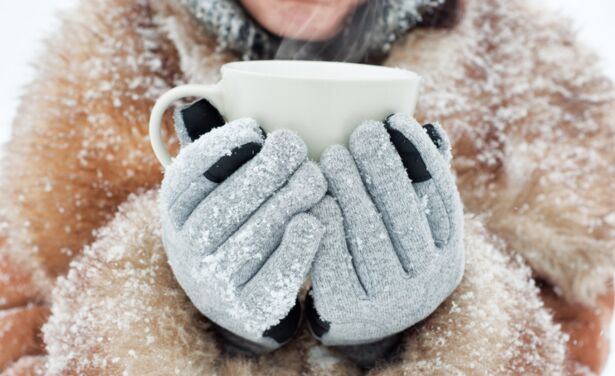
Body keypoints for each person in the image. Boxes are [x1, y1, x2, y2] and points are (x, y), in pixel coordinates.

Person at [0, 0, 613, 374]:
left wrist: (432, 326)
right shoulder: (83, 83)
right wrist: (172, 308)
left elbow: (576, 352)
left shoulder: (542, 90)